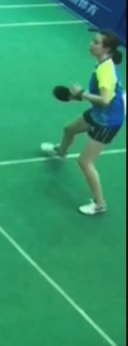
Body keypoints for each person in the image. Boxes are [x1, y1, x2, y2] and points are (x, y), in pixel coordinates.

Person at [41, 31, 124, 215]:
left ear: (107, 49)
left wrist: (81, 94)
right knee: (69, 129)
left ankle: (99, 204)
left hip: (108, 121)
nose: (91, 44)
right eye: (93, 40)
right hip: (99, 113)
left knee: (85, 162)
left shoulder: (105, 71)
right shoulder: (103, 63)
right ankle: (60, 153)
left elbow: (105, 101)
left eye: (96, 42)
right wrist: (77, 96)